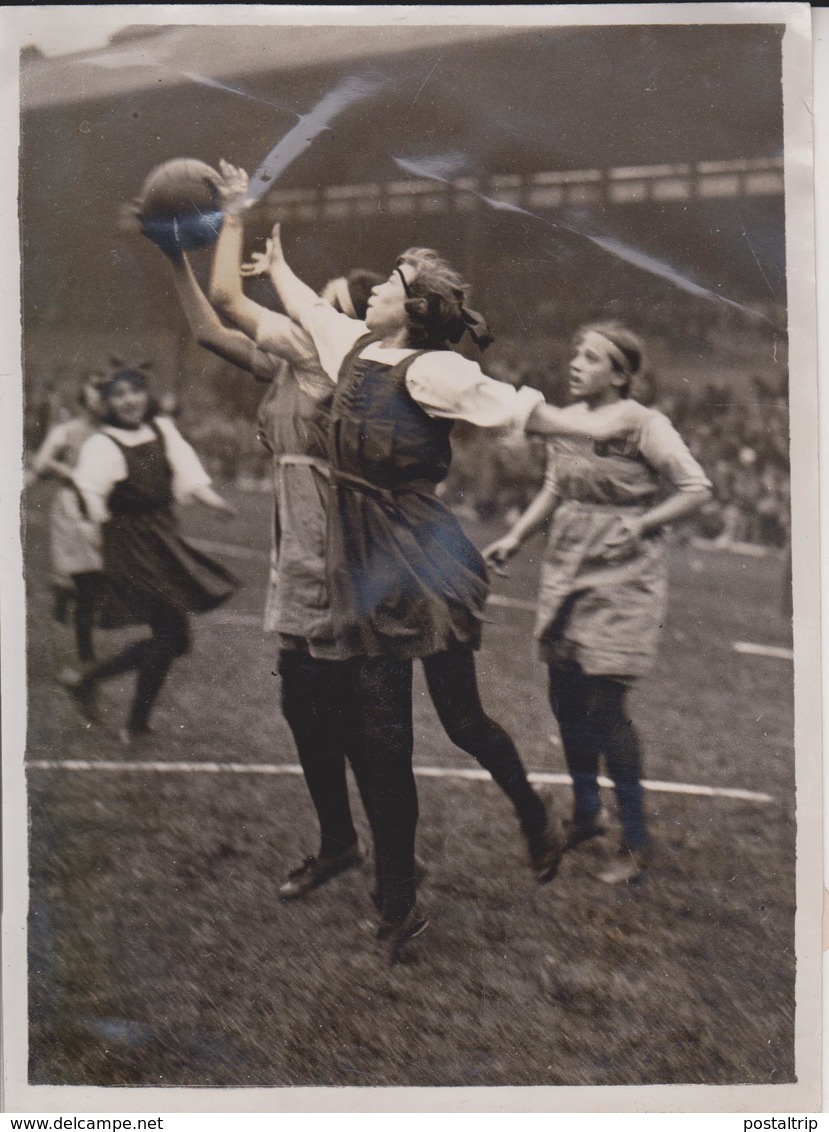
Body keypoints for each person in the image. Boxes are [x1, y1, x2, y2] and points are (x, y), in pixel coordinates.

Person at [246, 211, 641, 956]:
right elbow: (304, 305)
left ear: (415, 308)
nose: (372, 291)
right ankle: (399, 909)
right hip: (361, 565)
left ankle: (533, 814)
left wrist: (599, 431)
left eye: (389, 284)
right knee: (384, 738)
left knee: (461, 722)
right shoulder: (351, 344)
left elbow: (518, 408)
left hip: (420, 562)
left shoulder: (435, 370)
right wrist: (275, 263)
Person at [144, 181, 381, 899]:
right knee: (307, 698)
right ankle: (343, 841)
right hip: (300, 540)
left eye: (327, 300)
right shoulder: (291, 362)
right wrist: (172, 258)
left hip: (333, 544)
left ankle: (373, 848)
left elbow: (229, 301)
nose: (312, 305)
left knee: (337, 702)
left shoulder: (330, 362)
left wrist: (233, 211)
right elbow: (211, 332)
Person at [484, 322, 712, 884]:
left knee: (606, 707)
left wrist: (643, 524)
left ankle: (636, 842)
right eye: (576, 353)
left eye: (593, 357)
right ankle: (587, 812)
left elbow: (695, 488)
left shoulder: (642, 423)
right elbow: (556, 489)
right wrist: (517, 536)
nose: (578, 363)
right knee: (564, 696)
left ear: (621, 374)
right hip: (567, 566)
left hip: (623, 576)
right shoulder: (566, 420)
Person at [63, 368, 239, 743]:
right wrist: (103, 545)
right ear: (106, 403)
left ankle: (92, 683)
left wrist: (213, 501)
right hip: (129, 543)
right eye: (118, 395)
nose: (129, 401)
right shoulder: (103, 444)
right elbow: (90, 498)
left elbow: (186, 469)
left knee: (174, 638)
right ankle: (130, 721)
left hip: (161, 536)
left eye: (135, 392)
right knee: (172, 632)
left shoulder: (162, 428)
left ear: (146, 395)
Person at [29, 370, 107, 666]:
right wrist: (67, 471)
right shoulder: (67, 430)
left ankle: (64, 586)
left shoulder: (113, 431)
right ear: (84, 395)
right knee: (88, 585)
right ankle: (87, 657)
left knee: (94, 583)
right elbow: (41, 461)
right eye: (95, 389)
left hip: (103, 510)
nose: (100, 396)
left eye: (104, 390)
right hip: (73, 508)